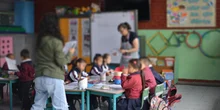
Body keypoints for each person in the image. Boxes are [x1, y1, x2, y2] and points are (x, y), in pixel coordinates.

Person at [31, 12, 75, 110]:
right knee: (61, 107)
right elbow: (61, 61)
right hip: (53, 77)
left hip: (39, 77)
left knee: (37, 106)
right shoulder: (56, 41)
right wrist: (70, 53)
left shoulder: (39, 40)